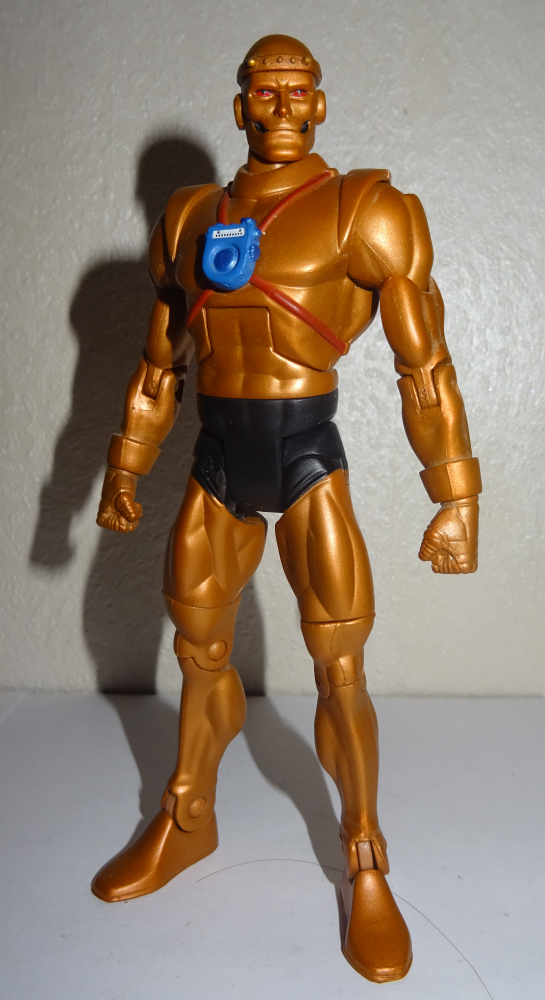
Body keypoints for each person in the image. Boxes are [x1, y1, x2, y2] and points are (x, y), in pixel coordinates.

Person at [91, 34, 481, 984]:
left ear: (319, 104)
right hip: (218, 457)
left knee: (339, 668)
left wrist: (455, 495)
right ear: (238, 109)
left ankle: (363, 856)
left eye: (295, 90)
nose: (278, 106)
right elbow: (158, 365)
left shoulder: (363, 210)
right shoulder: (190, 219)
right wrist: (125, 465)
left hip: (307, 454)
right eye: (261, 92)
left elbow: (423, 364)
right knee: (197, 649)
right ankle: (188, 813)